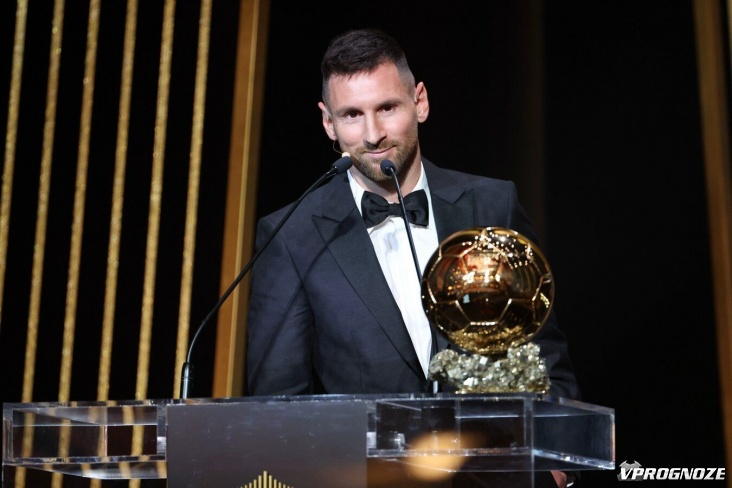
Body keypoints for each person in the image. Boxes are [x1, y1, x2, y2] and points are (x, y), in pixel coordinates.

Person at [247, 28, 579, 401]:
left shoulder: (492, 204)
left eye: (387, 108)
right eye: (352, 114)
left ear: (419, 102)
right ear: (329, 124)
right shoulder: (291, 237)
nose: (373, 134)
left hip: (491, 441)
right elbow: (279, 404)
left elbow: (545, 363)